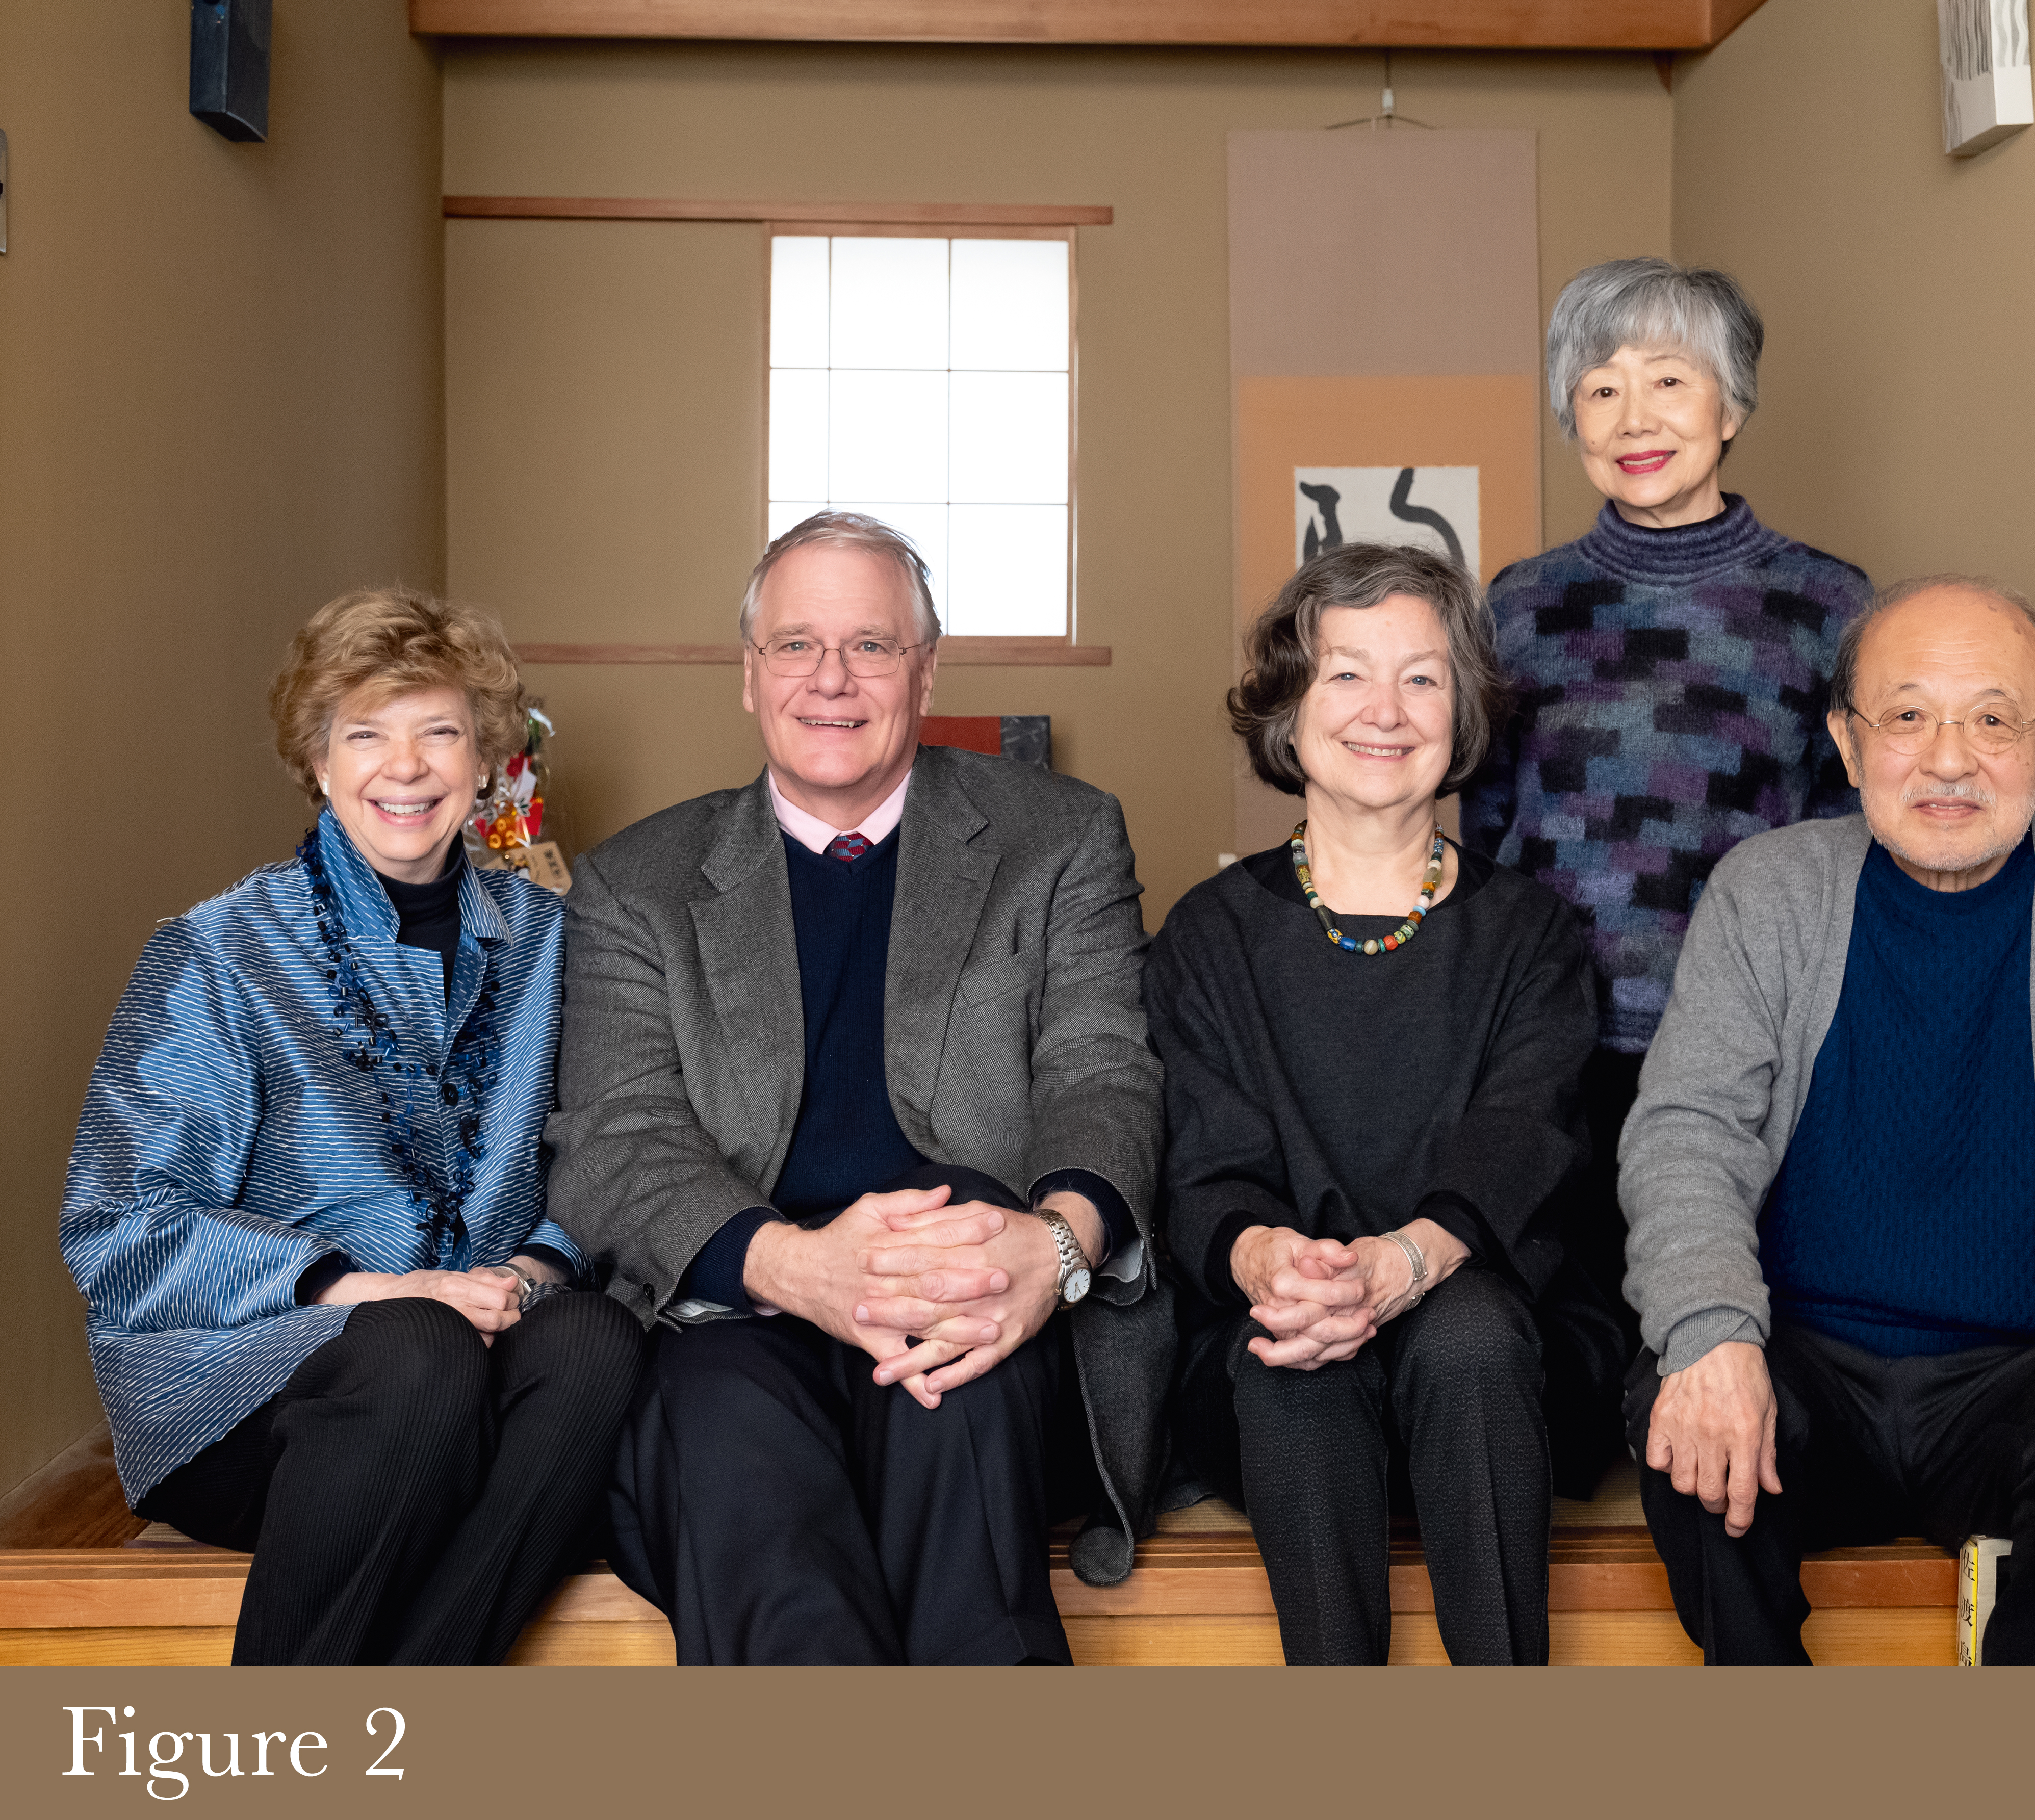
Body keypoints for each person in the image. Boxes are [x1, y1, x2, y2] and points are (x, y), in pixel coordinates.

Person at [547, 511, 1167, 1665]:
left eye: (872, 646)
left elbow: (1103, 1072)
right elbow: (617, 1137)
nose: (831, 680)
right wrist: (799, 1267)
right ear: (750, 674)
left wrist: (1058, 1246)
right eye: (796, 646)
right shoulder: (637, 882)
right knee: (740, 1481)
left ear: (926, 670)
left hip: (977, 1291)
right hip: (736, 1305)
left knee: (958, 1420)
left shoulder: (1062, 837)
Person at [1619, 576, 2035, 1664]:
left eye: (1994, 719)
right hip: (1804, 1370)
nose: (1949, 760)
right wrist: (1712, 1332)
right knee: (1680, 1403)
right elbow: (1685, 1137)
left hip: (2023, 1375)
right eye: (1907, 717)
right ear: (1849, 746)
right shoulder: (1767, 892)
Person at [58, 587, 643, 1665]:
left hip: (484, 1344)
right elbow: (116, 1224)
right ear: (319, 764)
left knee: (598, 1343)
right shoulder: (214, 952)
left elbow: (607, 1157)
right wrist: (364, 1289)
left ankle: (409, 1721)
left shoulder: (563, 945)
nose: (406, 767)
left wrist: (526, 1275)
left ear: (487, 762)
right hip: (248, 1387)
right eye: (366, 734)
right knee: (415, 1349)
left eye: (439, 732)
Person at [1147, 542, 1600, 1665]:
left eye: (1423, 677)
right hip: (1274, 1349)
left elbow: (1527, 1136)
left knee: (1472, 1339)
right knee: (1294, 1359)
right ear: (1289, 707)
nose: (1385, 711)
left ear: (1464, 712)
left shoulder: (1532, 934)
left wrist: (1405, 1260)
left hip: (1497, 1340)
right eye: (1346, 673)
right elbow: (1202, 1167)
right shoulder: (1208, 936)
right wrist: (1273, 1267)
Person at [1461, 257, 1869, 1365]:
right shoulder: (1523, 602)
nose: (1632, 417)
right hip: (1552, 1036)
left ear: (1731, 406)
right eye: (1600, 389)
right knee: (1564, 1336)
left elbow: (1851, 844)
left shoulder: (1828, 605)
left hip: (1747, 1036)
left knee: (1720, 1331)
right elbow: (1485, 829)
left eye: (1669, 382)